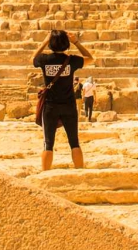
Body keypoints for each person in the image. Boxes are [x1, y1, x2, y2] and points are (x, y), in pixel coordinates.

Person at [32, 29, 93, 171]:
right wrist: (76, 42)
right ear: (66, 44)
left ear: (51, 45)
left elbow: (33, 59)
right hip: (69, 106)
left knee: (48, 143)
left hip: (50, 107)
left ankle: (46, 175)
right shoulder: (71, 60)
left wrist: (45, 41)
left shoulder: (44, 60)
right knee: (74, 142)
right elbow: (90, 58)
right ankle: (79, 172)